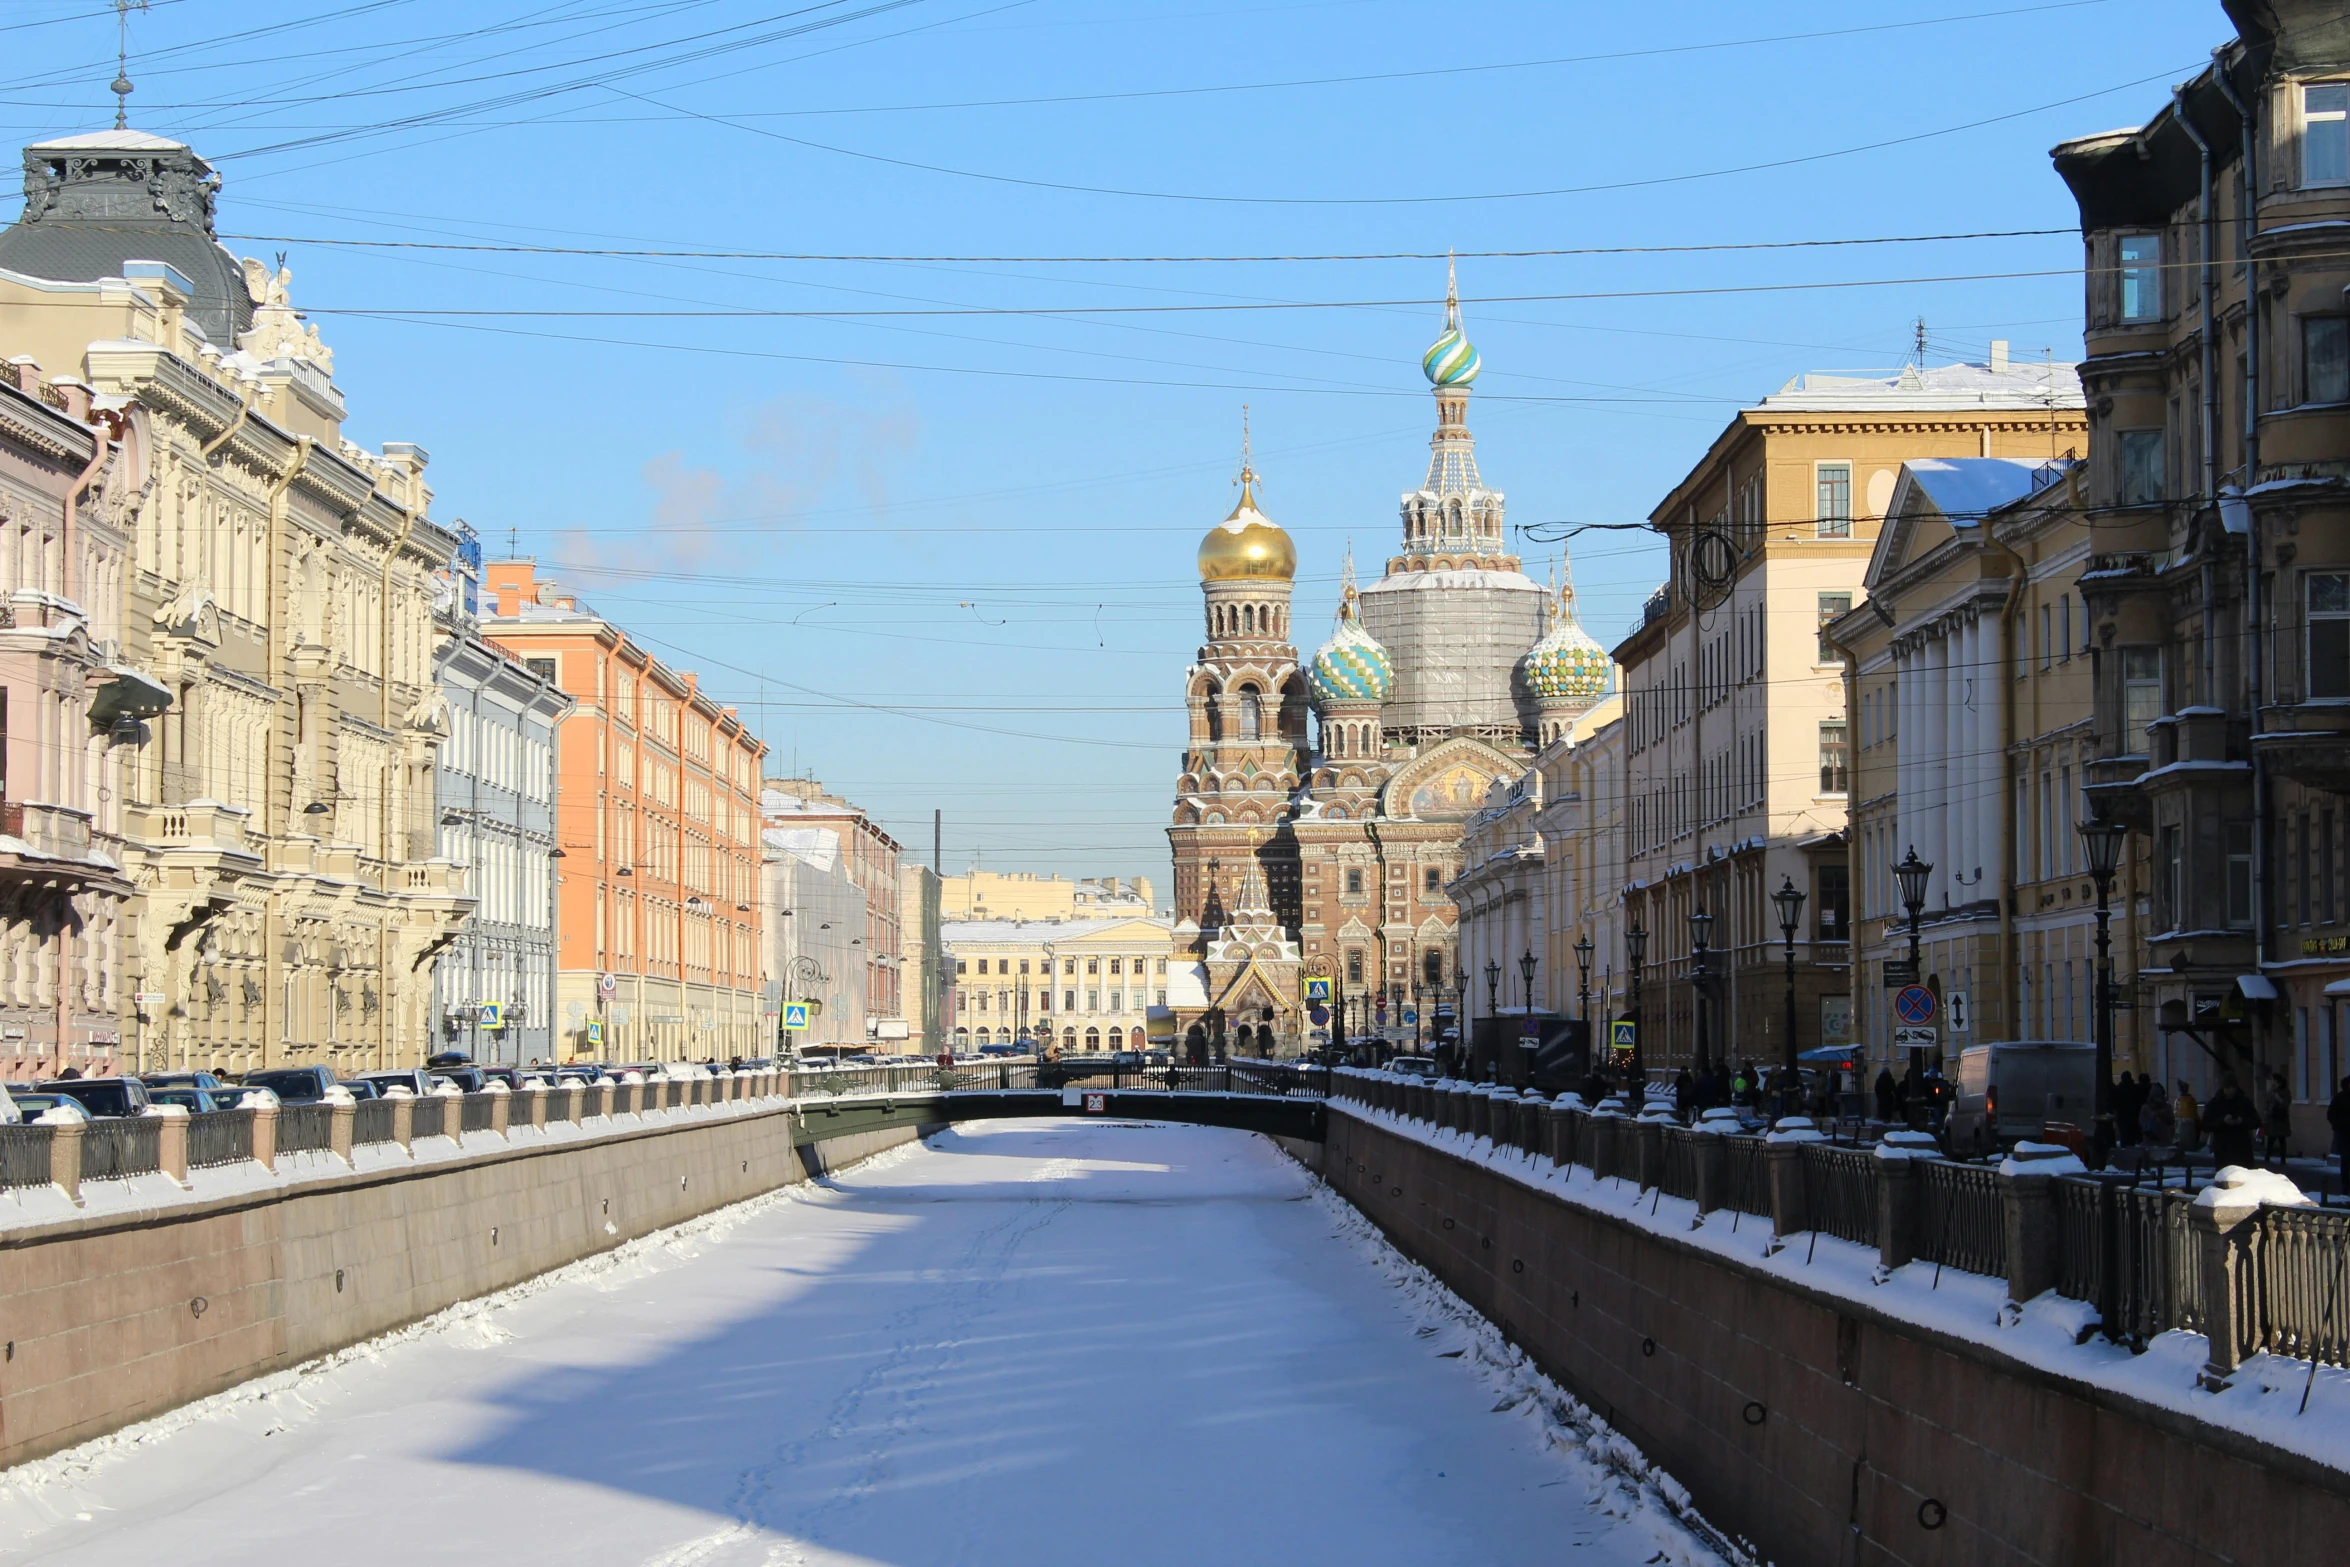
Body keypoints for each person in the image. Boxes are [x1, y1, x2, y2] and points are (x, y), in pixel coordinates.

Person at [2206, 1072, 2260, 1169]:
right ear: (2223, 1088)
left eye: (2232, 1088)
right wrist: (2222, 1121)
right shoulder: (2215, 1103)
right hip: (2223, 1150)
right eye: (2227, 1088)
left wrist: (2241, 1121)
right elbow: (2206, 1125)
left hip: (2242, 1150)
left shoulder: (2244, 1101)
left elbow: (2256, 1121)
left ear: (2235, 1088)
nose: (2230, 1091)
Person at [2263, 1071, 2295, 1167]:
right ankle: (2267, 1157)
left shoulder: (2284, 1091)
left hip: (2281, 1118)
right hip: (2272, 1118)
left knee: (2281, 1139)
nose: (2271, 1082)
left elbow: (2286, 1103)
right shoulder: (2271, 1091)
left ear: (2277, 1081)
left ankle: (2282, 1159)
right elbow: (2267, 1103)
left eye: (2273, 1080)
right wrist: (2266, 1111)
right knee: (2271, 1138)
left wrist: (2279, 1099)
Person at [2329, 1075, 2350, 1194]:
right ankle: (2346, 1187)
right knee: (2346, 1161)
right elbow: (2331, 1114)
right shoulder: (2339, 1098)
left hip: (2343, 1132)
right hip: (2344, 1134)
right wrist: (2337, 1126)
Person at [2174, 1080, 2201, 1154]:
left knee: (2181, 1146)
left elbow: (2176, 1113)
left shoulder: (2178, 1100)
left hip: (2181, 1124)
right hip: (2191, 1124)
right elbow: (2195, 1114)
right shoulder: (2192, 1099)